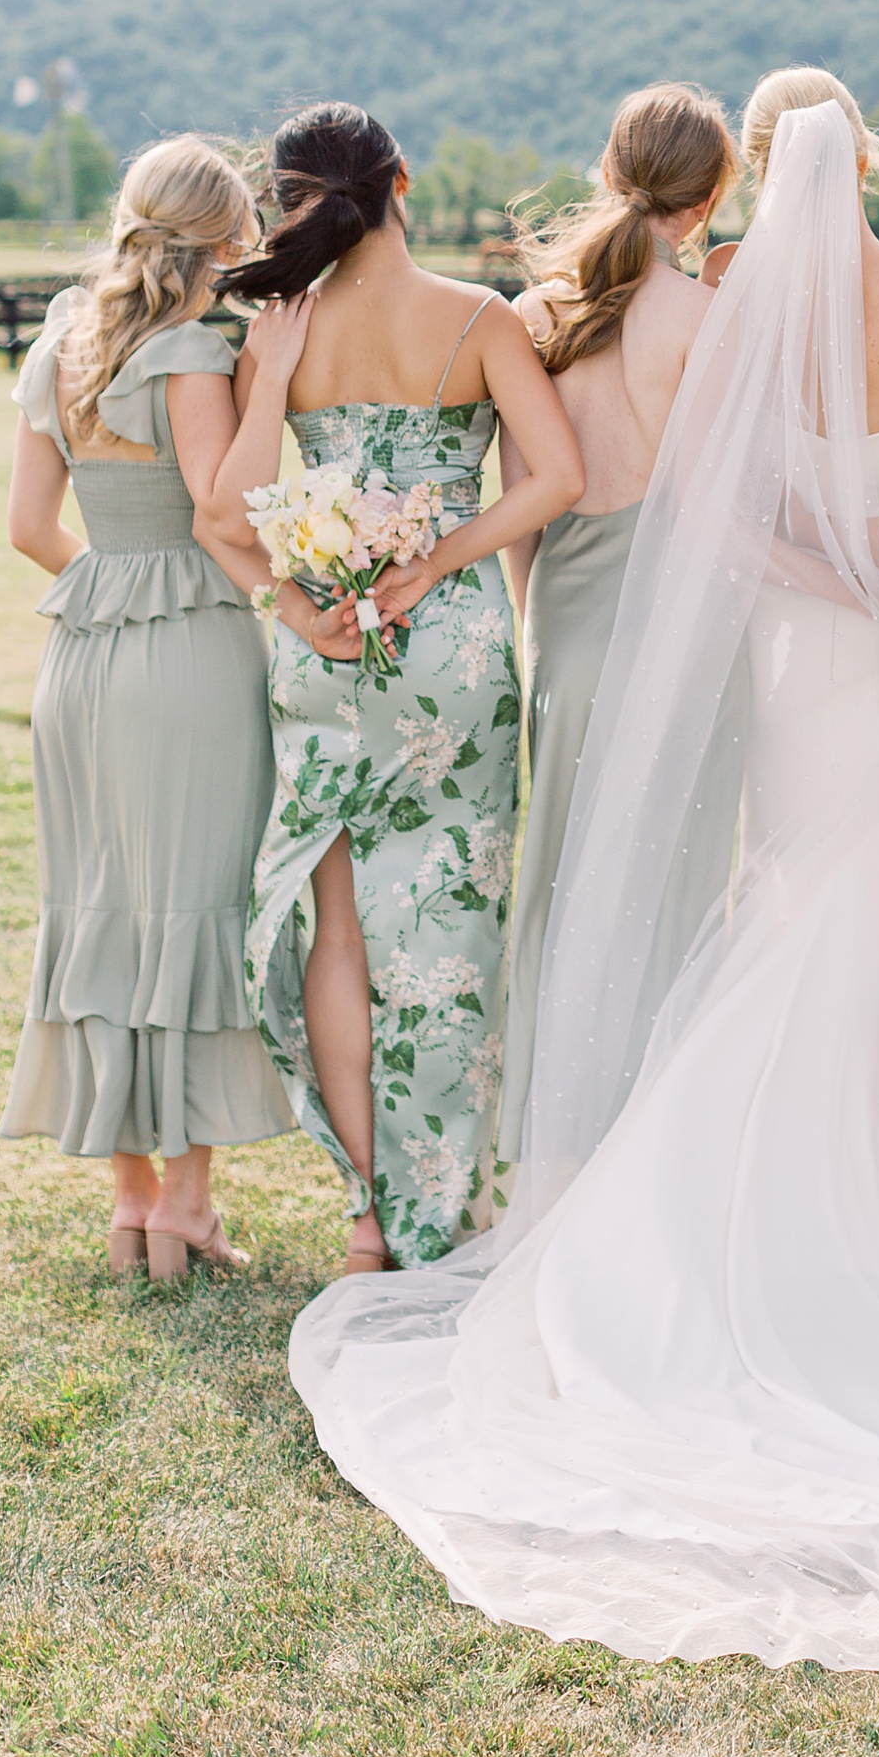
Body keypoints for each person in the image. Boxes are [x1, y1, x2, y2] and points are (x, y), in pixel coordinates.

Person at [284, 87, 879, 1669]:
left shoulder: (728, 299)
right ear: (866, 159)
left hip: (801, 642)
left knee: (796, 885)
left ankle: (761, 1181)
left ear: (761, 168)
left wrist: (847, 583)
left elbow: (725, 501)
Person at [214, 103, 582, 1273]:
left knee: (339, 932)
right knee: (448, 925)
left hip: (321, 640)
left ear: (290, 203)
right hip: (448, 644)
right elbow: (557, 477)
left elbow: (226, 514)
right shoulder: (476, 319)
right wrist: (436, 559)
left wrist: (269, 391)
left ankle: (371, 1213)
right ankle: (444, 1205)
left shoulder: (281, 332)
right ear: (402, 182)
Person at [0, 135, 294, 1277]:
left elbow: (28, 528)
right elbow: (228, 518)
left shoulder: (61, 345)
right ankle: (187, 1205)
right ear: (228, 239)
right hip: (193, 656)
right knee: (196, 909)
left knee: (103, 909)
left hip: (79, 660)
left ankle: (128, 1205)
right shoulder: (196, 350)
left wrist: (109, 584)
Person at [496, 82, 741, 1164]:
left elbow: (521, 504)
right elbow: (716, 505)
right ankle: (658, 1149)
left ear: (608, 169)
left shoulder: (531, 316)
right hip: (681, 633)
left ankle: (554, 1144)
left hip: (565, 616)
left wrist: (535, 622)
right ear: (707, 201)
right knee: (673, 889)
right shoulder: (704, 321)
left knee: (562, 878)